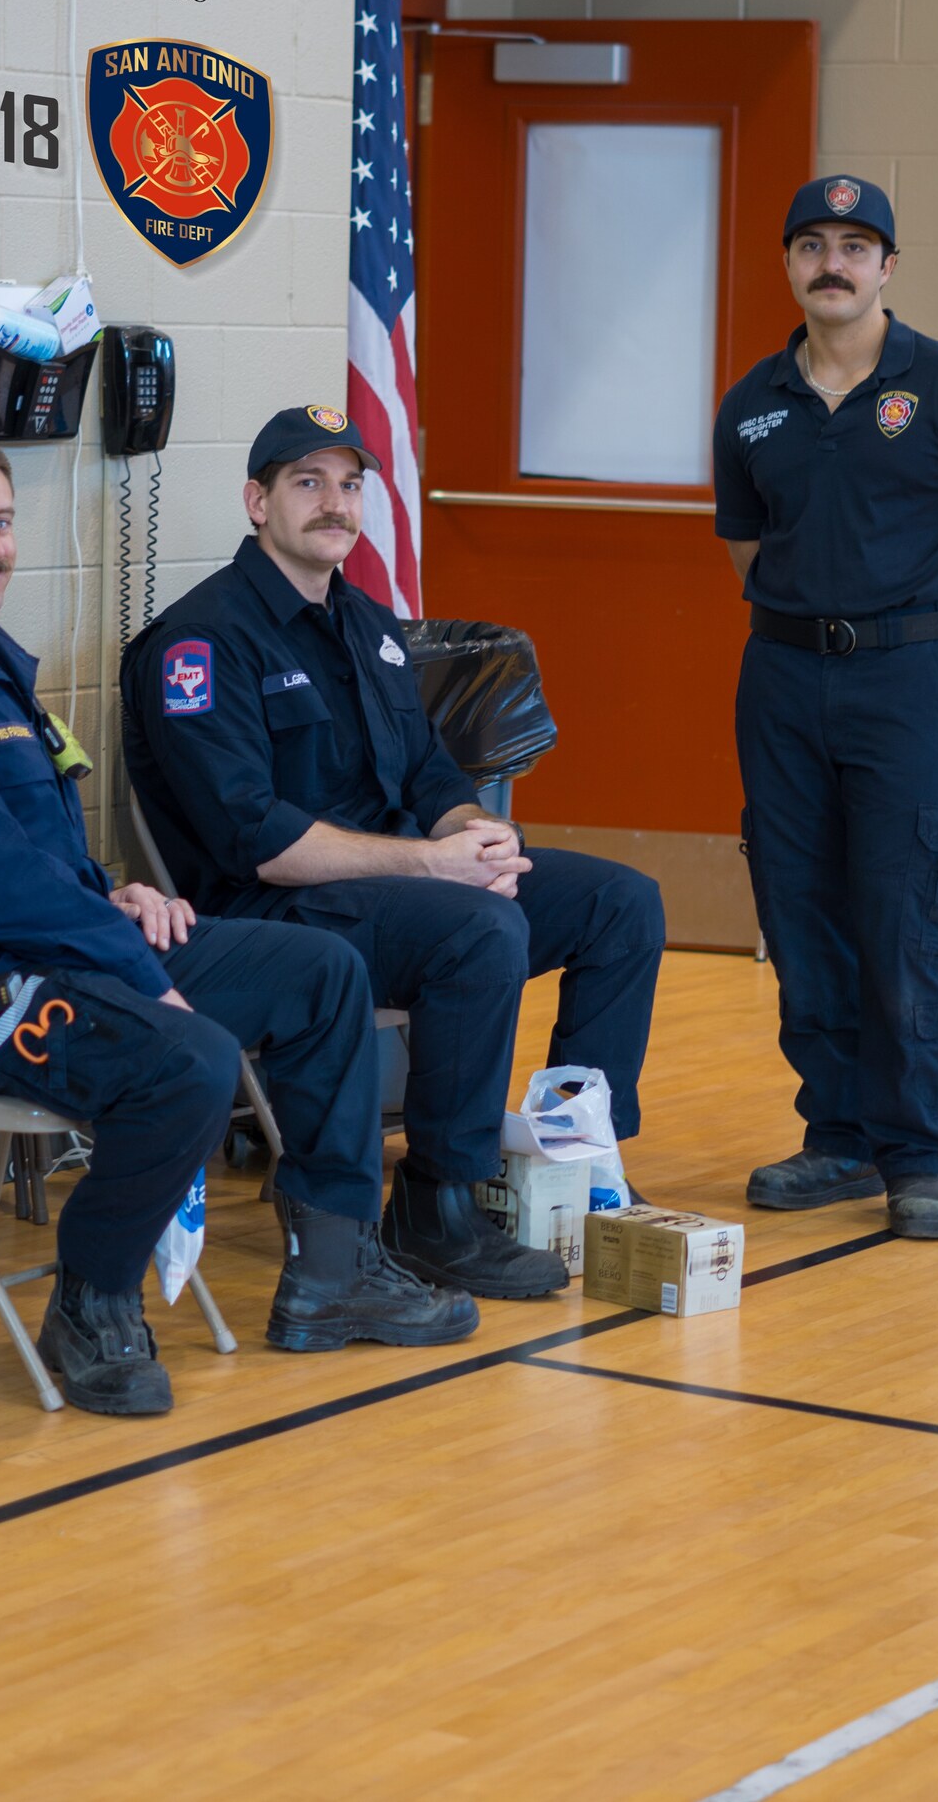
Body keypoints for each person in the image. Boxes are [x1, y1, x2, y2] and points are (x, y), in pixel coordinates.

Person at [0, 430, 484, 1418]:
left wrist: (110, 895)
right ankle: (93, 1303)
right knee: (184, 1057)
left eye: (4, 522)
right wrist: (132, 961)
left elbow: (34, 857)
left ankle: (334, 1269)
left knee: (319, 974)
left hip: (60, 958)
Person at [120, 405, 665, 1292]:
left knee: (622, 903)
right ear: (256, 501)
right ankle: (436, 1202)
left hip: (395, 887)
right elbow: (254, 841)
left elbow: (425, 771)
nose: (335, 503)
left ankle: (580, 1162)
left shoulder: (368, 623)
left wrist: (468, 832)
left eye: (350, 484)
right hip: (272, 912)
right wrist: (432, 864)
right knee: (478, 930)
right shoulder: (200, 642)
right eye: (308, 483)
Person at [713, 176, 938, 1241]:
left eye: (857, 245)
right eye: (812, 244)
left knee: (906, 912)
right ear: (791, 264)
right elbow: (748, 551)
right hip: (784, 677)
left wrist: (917, 640)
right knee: (799, 907)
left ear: (889, 265)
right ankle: (838, 1138)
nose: (834, 263)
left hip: (909, 681)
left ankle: (915, 1153)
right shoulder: (753, 401)